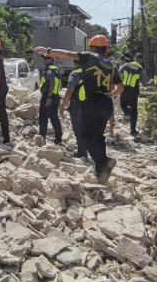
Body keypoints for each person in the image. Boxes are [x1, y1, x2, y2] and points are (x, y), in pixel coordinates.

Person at [35, 35, 122, 183]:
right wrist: (108, 95)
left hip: (93, 101)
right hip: (106, 103)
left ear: (93, 47)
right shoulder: (112, 65)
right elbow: (121, 87)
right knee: (98, 136)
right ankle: (100, 171)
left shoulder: (91, 57)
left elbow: (68, 54)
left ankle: (105, 161)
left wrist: (49, 50)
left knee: (86, 135)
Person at [59, 60, 87, 158]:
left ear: (75, 63)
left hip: (77, 105)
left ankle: (82, 153)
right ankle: (87, 150)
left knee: (78, 129)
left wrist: (62, 106)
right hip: (89, 104)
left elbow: (69, 91)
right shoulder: (90, 72)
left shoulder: (74, 74)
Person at [37, 54, 63, 144]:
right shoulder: (55, 68)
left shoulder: (50, 69)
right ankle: (58, 138)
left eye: (46, 59)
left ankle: (42, 138)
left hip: (49, 96)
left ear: (50, 60)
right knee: (54, 118)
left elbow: (51, 83)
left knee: (43, 118)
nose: (44, 61)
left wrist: (48, 97)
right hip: (55, 96)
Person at [119, 52, 145, 135]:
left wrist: (120, 82)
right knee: (134, 110)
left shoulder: (127, 65)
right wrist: (150, 83)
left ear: (134, 59)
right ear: (141, 60)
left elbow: (119, 73)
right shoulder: (141, 69)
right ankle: (133, 130)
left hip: (124, 88)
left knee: (123, 105)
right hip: (133, 91)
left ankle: (128, 113)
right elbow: (144, 83)